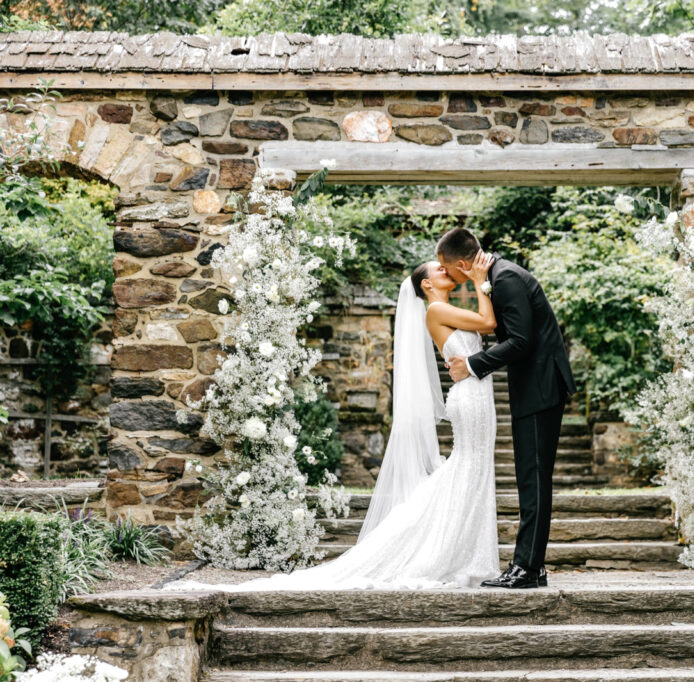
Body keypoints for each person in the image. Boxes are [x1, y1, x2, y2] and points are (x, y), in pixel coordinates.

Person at [164, 251, 501, 591]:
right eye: (438, 269)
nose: (446, 270)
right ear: (427, 284)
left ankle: (462, 551)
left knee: (471, 470)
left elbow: (479, 331)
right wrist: (478, 282)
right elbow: (488, 324)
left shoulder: (446, 310)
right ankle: (448, 551)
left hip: (476, 395)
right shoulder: (437, 309)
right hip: (469, 399)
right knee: (468, 467)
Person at [438, 228, 576, 590]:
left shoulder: (506, 278)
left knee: (533, 478)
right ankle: (533, 565)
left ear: (464, 264)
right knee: (531, 476)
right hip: (534, 387)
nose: (446, 275)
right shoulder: (497, 277)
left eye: (447, 268)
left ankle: (527, 568)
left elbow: (521, 341)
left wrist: (471, 364)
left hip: (541, 387)